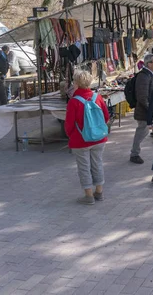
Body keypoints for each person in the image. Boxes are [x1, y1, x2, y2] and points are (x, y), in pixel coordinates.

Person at [64, 70, 110, 205]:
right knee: (98, 164)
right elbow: (106, 117)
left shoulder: (74, 101)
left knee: (84, 167)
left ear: (76, 83)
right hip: (99, 138)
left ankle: (88, 195)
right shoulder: (97, 97)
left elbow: (69, 124)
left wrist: (71, 136)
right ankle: (99, 192)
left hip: (81, 140)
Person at [130, 54, 153, 165]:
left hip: (152, 111)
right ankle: (134, 154)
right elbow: (142, 97)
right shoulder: (143, 76)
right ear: (149, 64)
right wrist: (151, 109)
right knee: (142, 131)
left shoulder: (150, 75)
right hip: (144, 112)